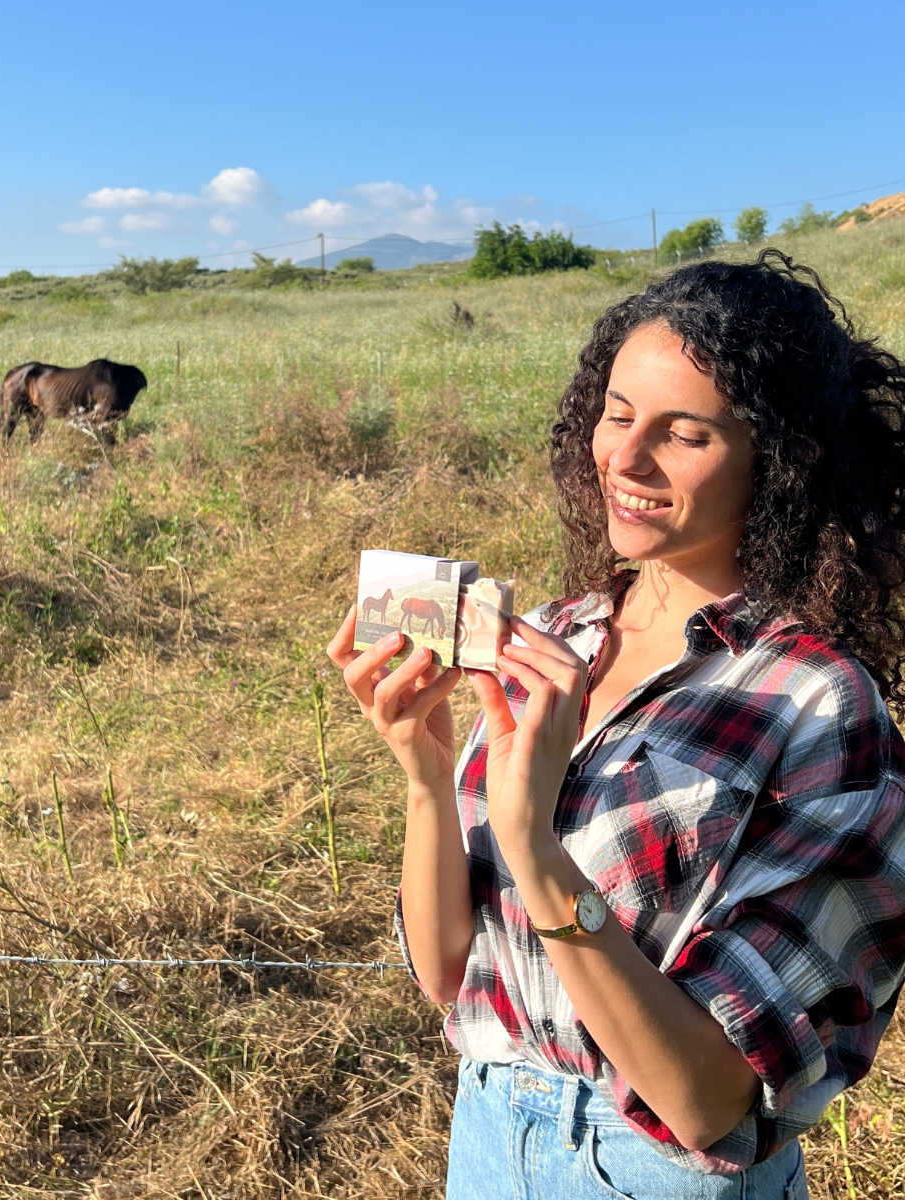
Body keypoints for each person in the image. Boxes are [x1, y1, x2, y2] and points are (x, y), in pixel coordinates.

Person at [326, 250, 905, 1199]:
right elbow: (444, 975)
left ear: (781, 461)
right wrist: (427, 773)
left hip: (654, 1172)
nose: (626, 460)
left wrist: (534, 845)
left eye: (684, 435)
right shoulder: (557, 635)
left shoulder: (819, 708)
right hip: (486, 1132)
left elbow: (709, 1102)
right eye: (619, 413)